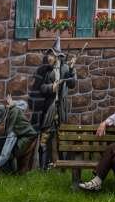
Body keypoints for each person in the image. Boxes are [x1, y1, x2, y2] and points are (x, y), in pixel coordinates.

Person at [28, 35, 78, 169]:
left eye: (51, 55)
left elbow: (72, 84)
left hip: (60, 109)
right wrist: (52, 88)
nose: (49, 58)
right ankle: (43, 168)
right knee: (44, 139)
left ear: (57, 56)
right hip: (50, 109)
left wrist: (72, 69)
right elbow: (41, 88)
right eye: (48, 55)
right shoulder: (46, 72)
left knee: (62, 138)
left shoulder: (66, 68)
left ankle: (63, 167)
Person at [0, 96, 39, 174]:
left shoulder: (13, 119)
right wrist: (14, 103)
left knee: (11, 152)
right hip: (23, 134)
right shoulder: (12, 108)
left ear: (4, 115)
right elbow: (24, 104)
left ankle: (9, 173)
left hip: (28, 137)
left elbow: (9, 143)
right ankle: (9, 172)